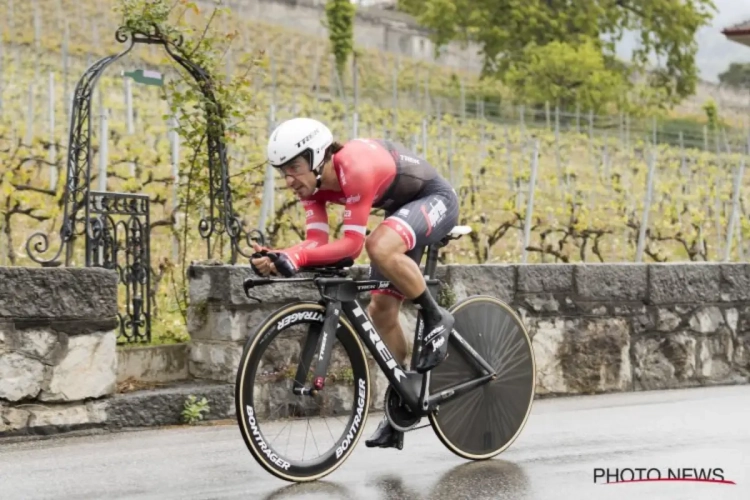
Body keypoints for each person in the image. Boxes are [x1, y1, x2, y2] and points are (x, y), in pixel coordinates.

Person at [250, 117, 459, 450]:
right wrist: (280, 256)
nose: (288, 180)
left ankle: (436, 316)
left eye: (293, 168)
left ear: (317, 156)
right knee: (381, 310)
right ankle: (403, 400)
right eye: (281, 171)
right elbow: (315, 243)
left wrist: (296, 258)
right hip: (401, 213)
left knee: (379, 243)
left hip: (434, 199)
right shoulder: (313, 188)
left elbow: (351, 246)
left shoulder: (354, 167)